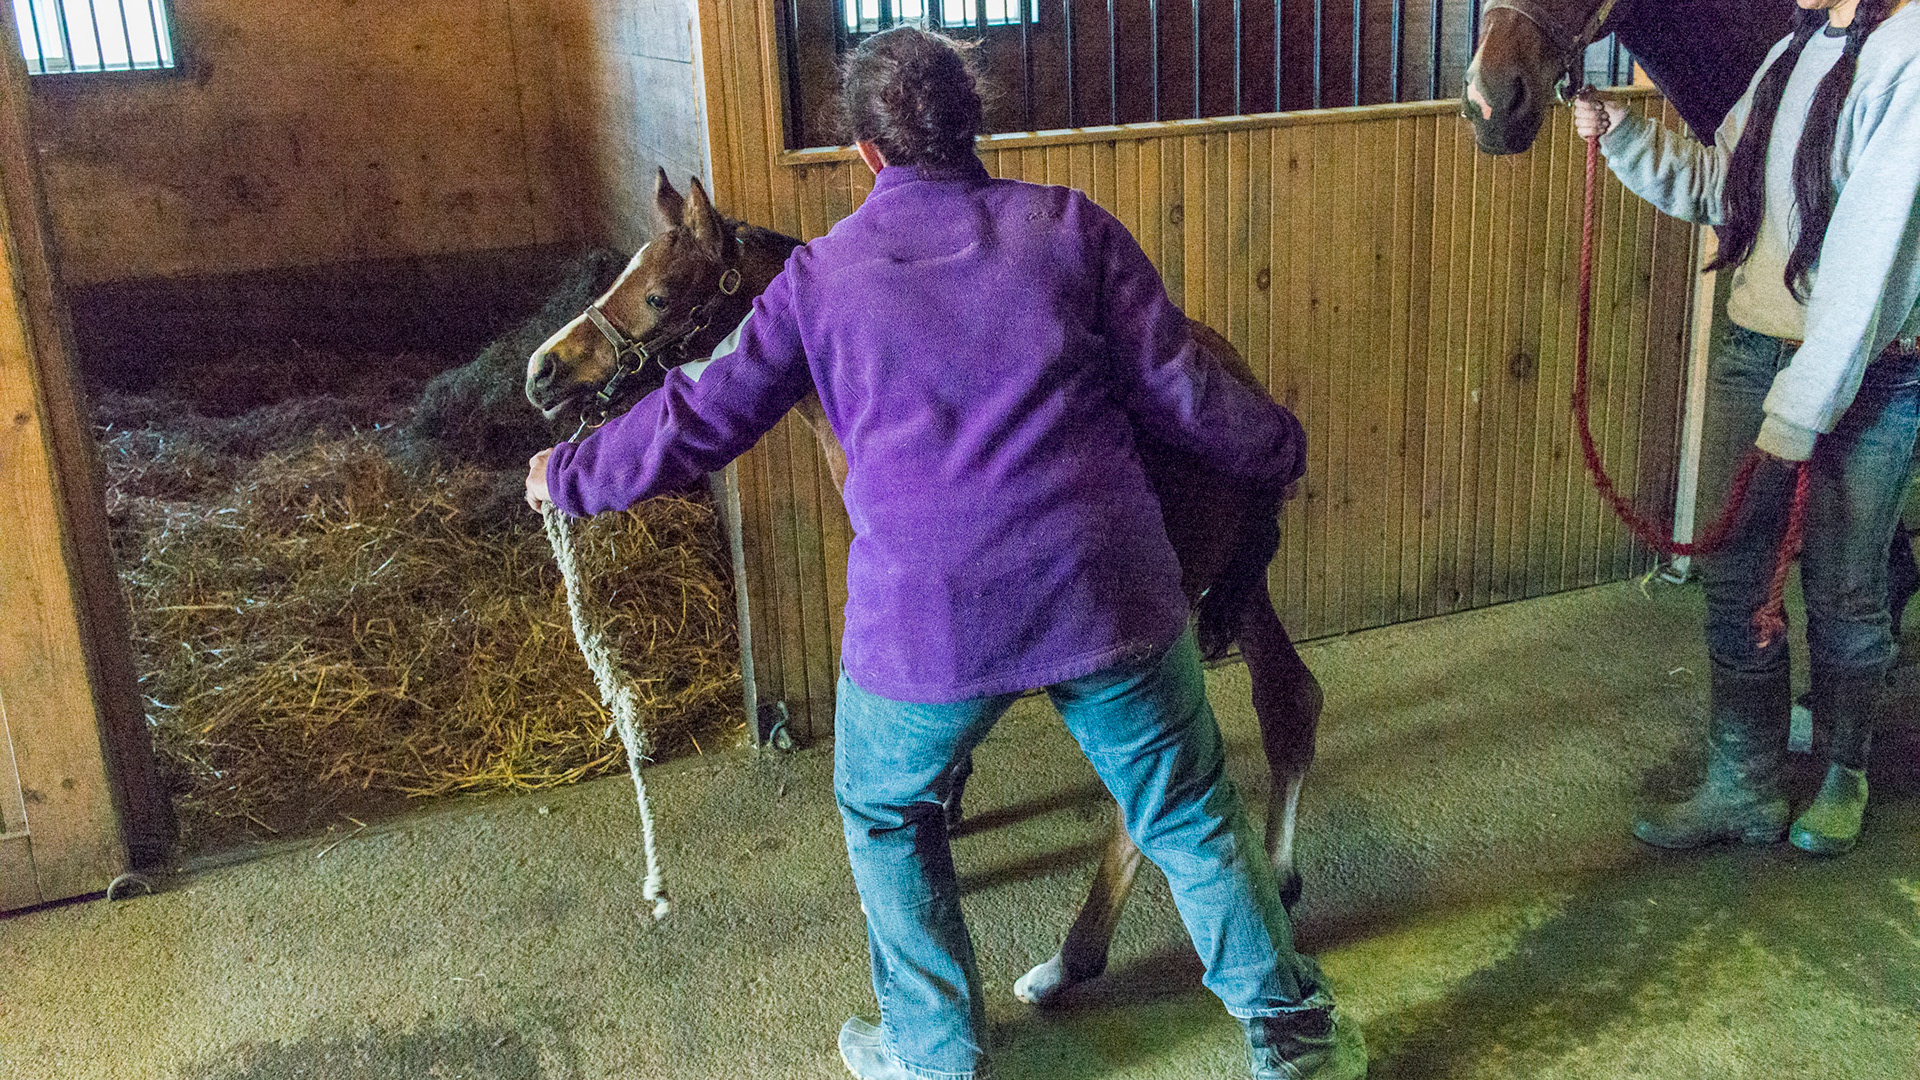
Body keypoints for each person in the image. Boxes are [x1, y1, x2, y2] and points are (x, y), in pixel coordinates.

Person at [525, 24, 1365, 1080]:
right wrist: (1278, 443)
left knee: (884, 811)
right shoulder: (1073, 228)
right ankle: (1294, 1044)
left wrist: (568, 475)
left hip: (929, 624)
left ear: (864, 154)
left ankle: (933, 1050)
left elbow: (701, 415)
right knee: (1193, 811)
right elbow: (1185, 390)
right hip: (1105, 592)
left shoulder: (819, 280)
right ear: (975, 127)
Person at [1573, 0, 1920, 856]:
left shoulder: (1910, 58)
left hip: (1871, 373)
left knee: (1844, 589)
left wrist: (1798, 411)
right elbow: (1724, 187)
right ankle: (1745, 780)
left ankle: (1845, 772)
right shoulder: (1793, 54)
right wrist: (1623, 135)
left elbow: (1868, 265)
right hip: (1757, 348)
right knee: (1735, 579)